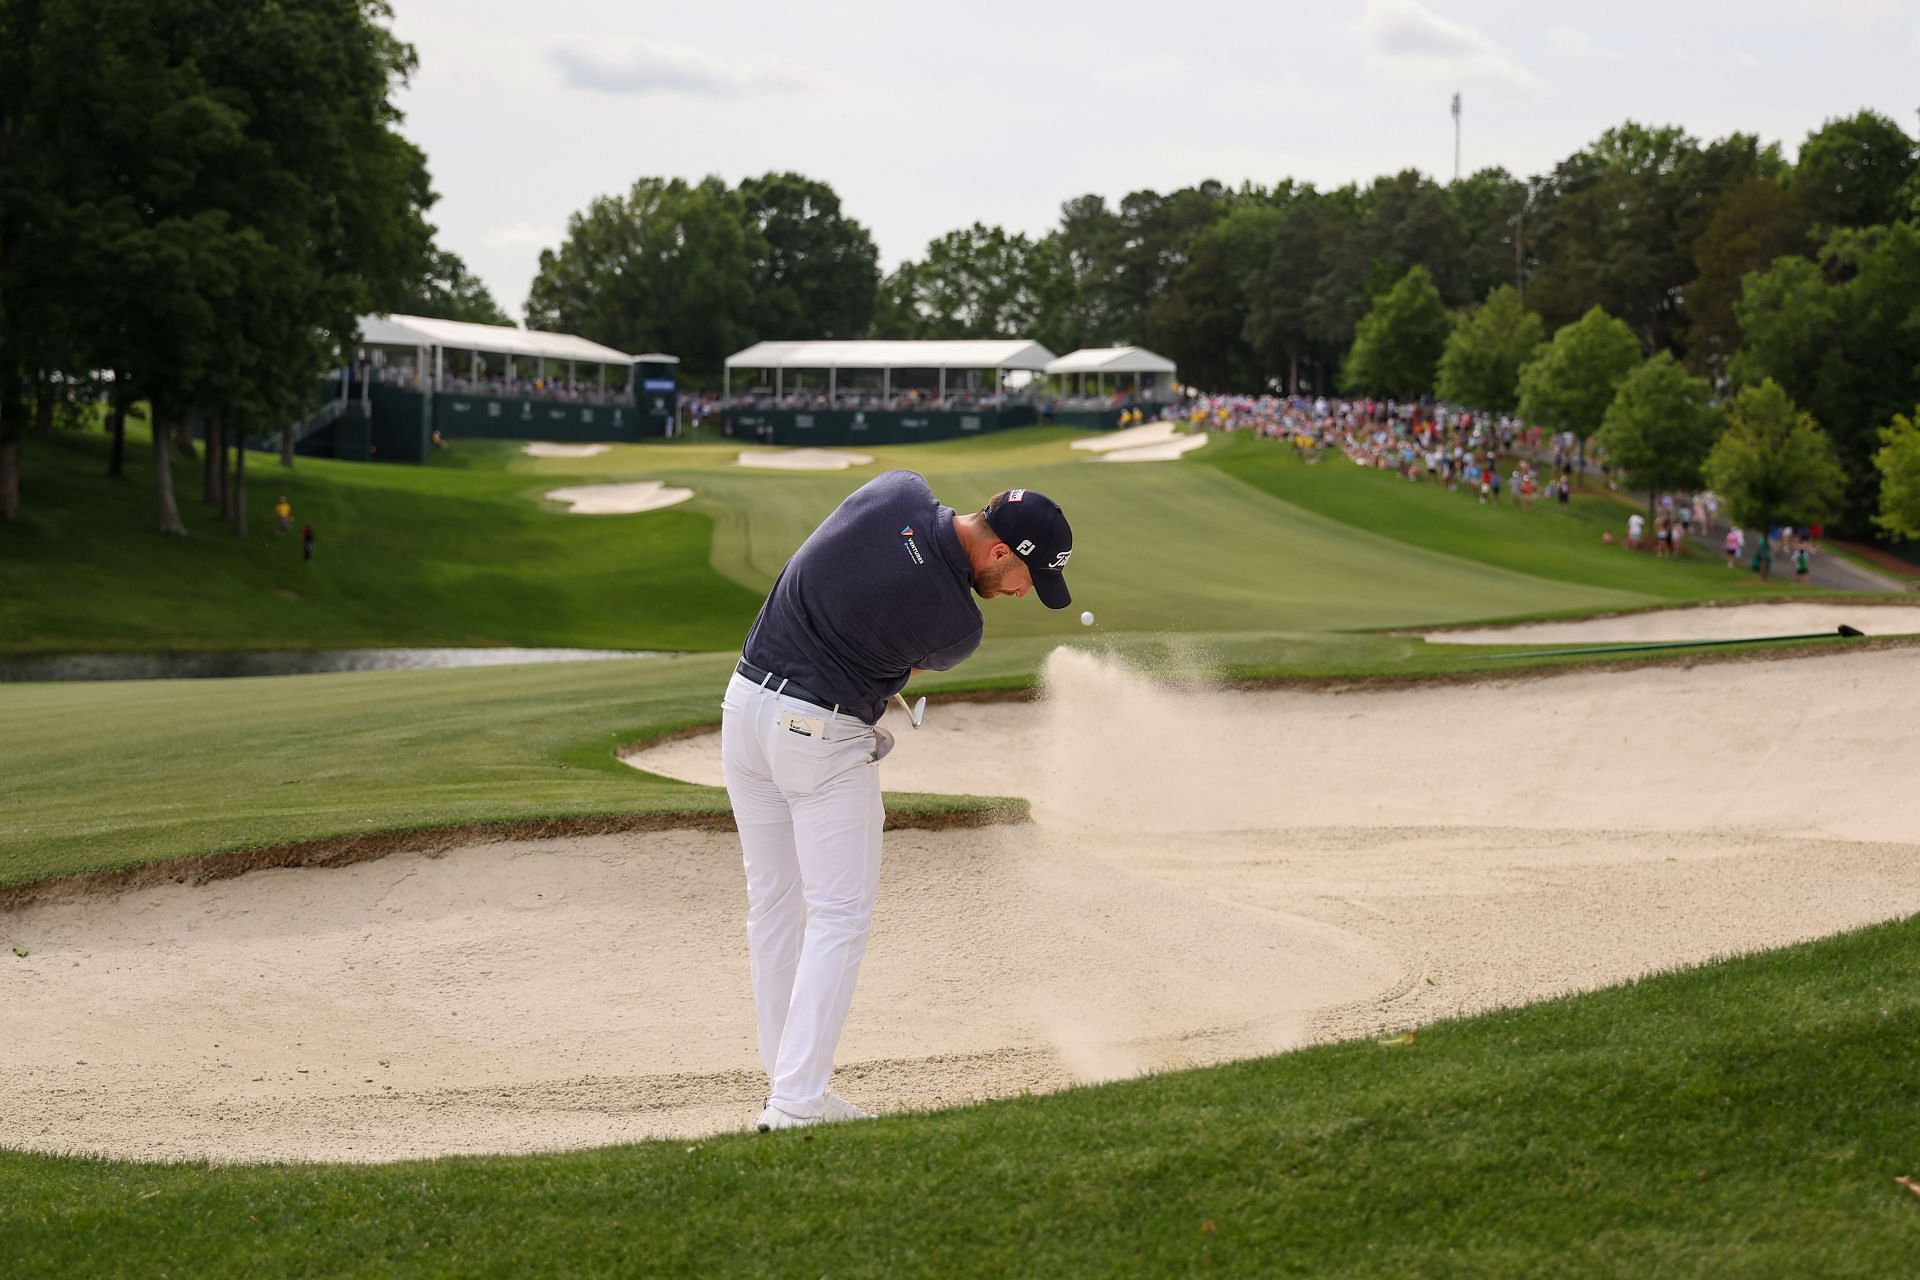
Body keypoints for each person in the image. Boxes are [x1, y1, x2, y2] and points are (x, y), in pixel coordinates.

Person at [722, 472, 1074, 1132]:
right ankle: (795, 1104)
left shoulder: (897, 490)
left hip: (741, 709)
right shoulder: (960, 626)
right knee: (838, 916)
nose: (1024, 594)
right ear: (1001, 553)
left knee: (773, 905)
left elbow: (828, 560)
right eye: (1028, 579)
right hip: (817, 737)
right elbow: (901, 674)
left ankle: (791, 1086)